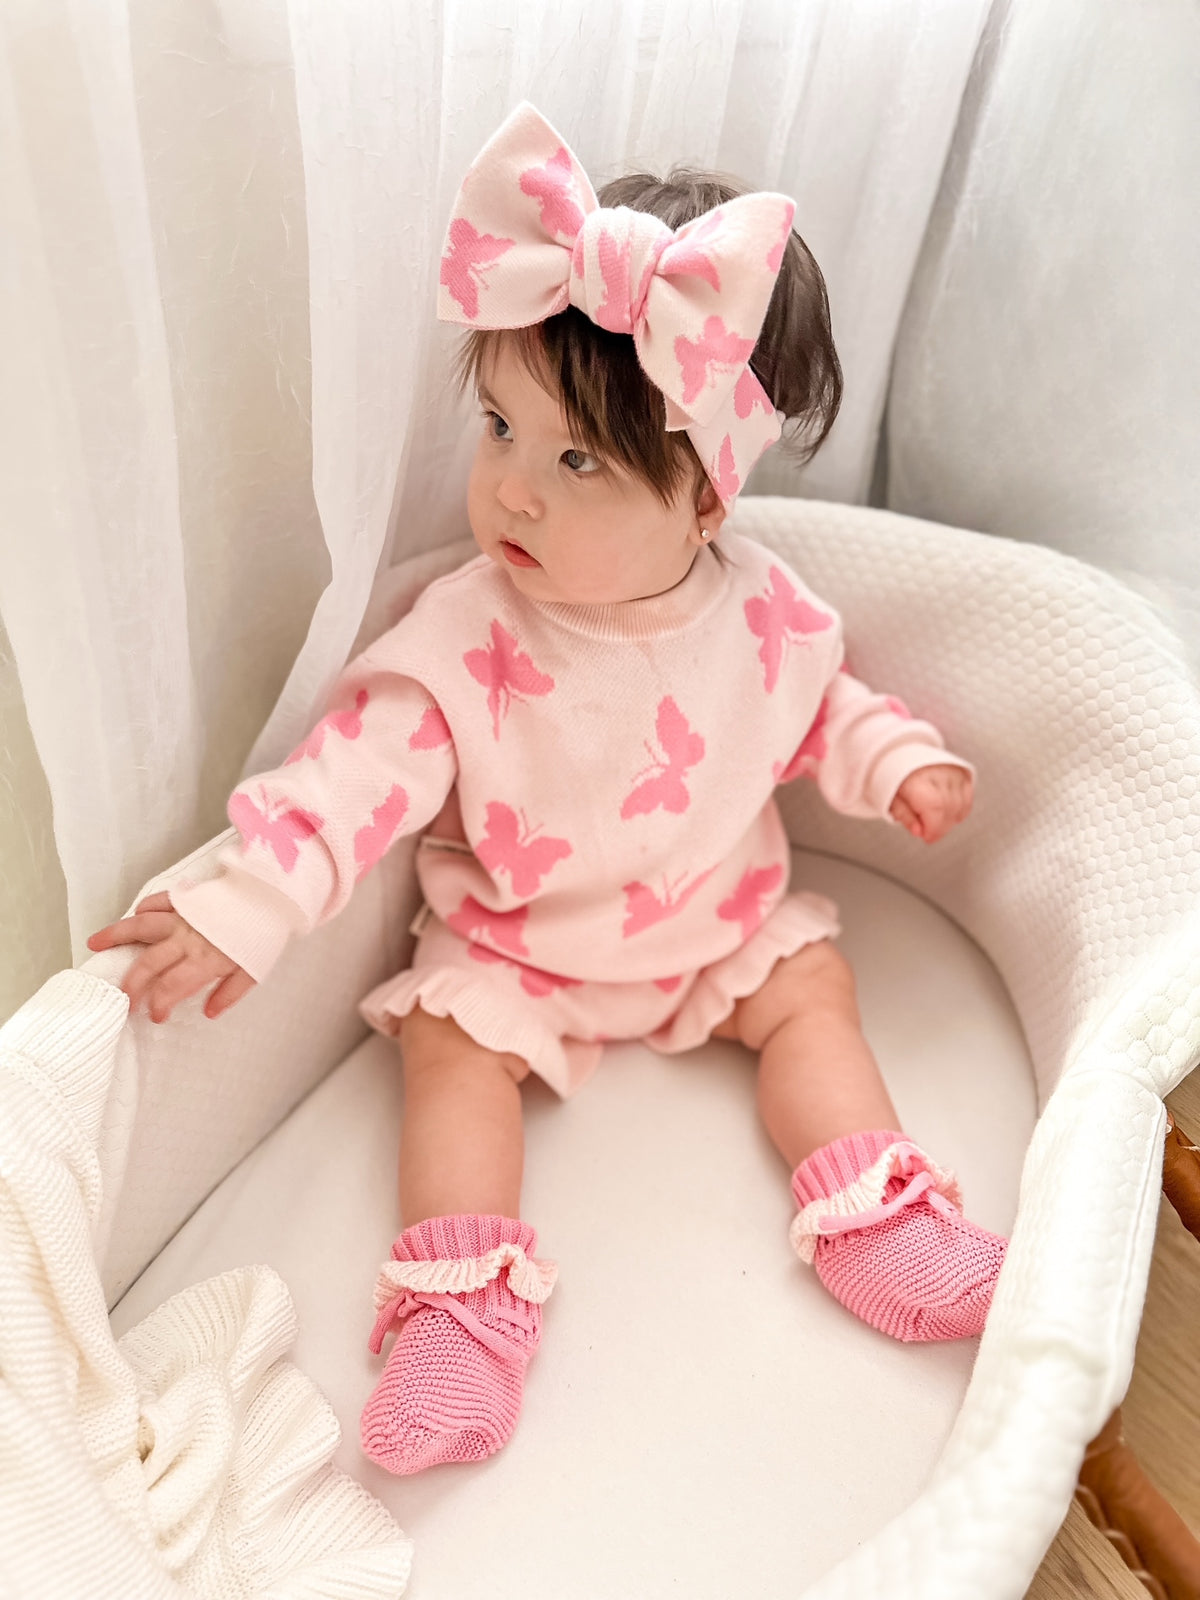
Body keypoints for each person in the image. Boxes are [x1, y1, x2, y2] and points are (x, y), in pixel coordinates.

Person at [87, 103, 1007, 1479]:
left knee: (814, 996)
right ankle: (461, 1314)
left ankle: (874, 1207)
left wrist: (898, 766)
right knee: (451, 1062)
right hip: (515, 947)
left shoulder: (764, 612)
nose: (508, 492)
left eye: (574, 461)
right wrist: (248, 900)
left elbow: (827, 708)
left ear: (706, 500)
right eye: (501, 426)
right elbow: (353, 781)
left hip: (721, 917)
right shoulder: (470, 634)